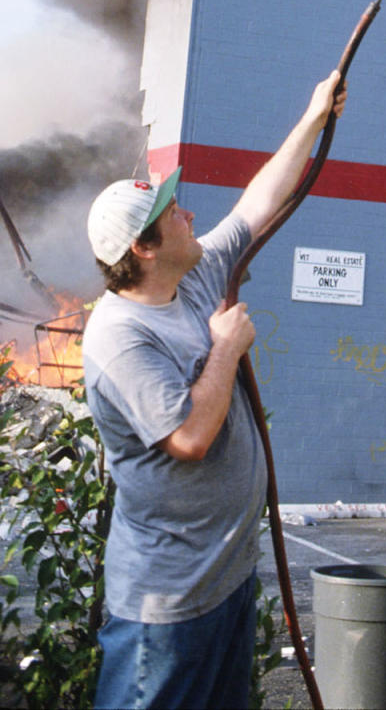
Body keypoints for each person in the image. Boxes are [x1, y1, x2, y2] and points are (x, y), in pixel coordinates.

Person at [82, 70, 347, 710]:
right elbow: (191, 438)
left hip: (225, 586)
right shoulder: (118, 337)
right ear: (144, 248)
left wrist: (314, 117)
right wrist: (225, 346)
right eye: (173, 213)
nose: (190, 212)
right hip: (166, 607)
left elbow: (259, 201)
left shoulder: (191, 280)